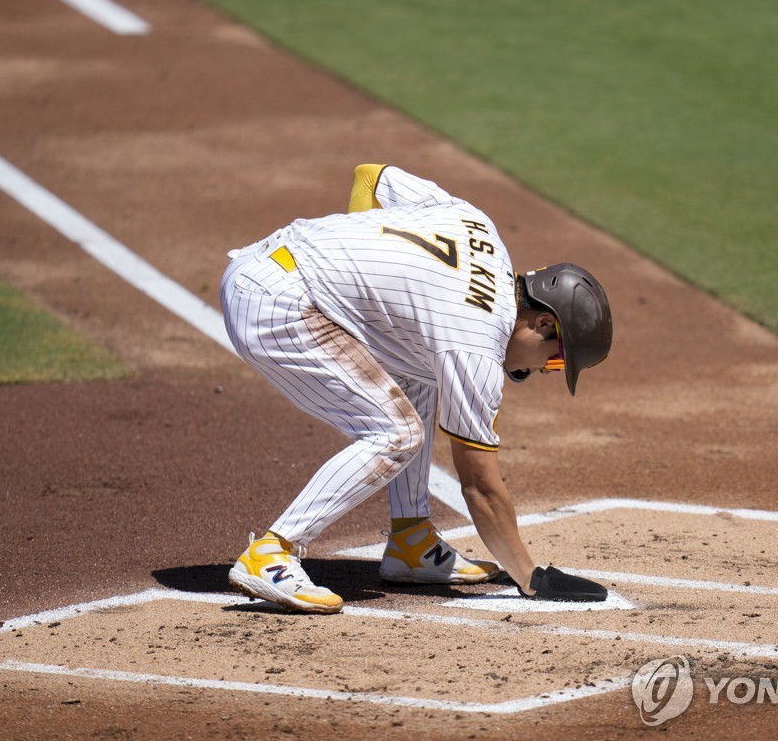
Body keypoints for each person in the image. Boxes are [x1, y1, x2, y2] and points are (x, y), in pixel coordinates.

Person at [220, 164, 613, 613]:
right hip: (276, 305)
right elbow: (479, 486)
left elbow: (371, 177)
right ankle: (272, 553)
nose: (546, 371)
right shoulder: (476, 342)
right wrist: (530, 577)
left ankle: (411, 541)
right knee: (396, 433)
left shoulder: (477, 223)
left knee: (421, 372)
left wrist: (356, 265)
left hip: (272, 264)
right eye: (556, 359)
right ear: (544, 322)